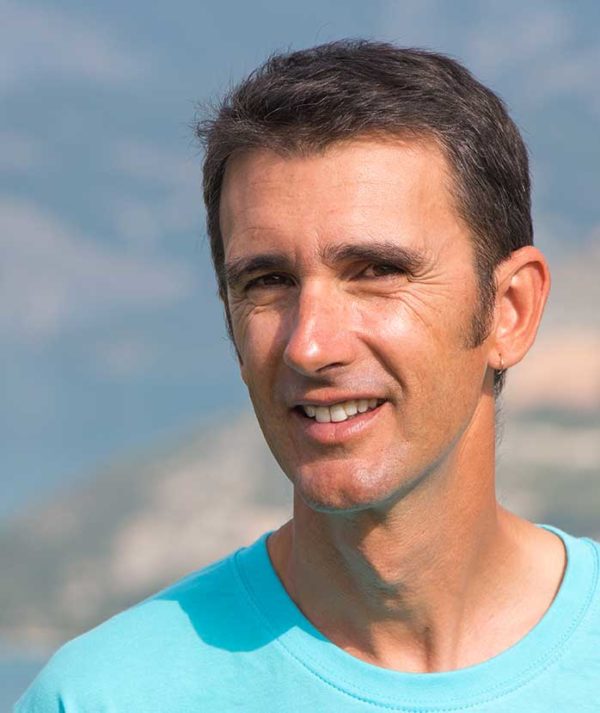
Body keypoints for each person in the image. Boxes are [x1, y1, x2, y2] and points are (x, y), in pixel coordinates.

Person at [16, 40, 600, 712]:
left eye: (376, 272)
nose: (310, 344)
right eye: (268, 281)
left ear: (510, 310)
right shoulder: (101, 697)